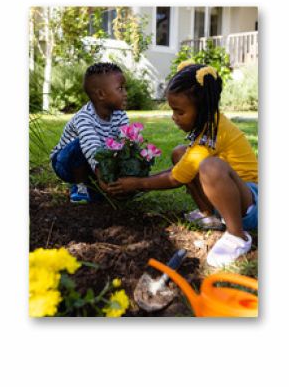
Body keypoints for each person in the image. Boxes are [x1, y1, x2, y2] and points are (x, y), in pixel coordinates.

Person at [104, 63, 258, 267]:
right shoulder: (208, 123)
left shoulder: (213, 133)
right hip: (233, 198)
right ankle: (208, 214)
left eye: (180, 112)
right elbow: (182, 168)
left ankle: (237, 235)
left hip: (251, 204)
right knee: (180, 153)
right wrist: (140, 180)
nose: (174, 118)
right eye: (173, 111)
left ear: (202, 109)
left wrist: (138, 183)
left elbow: (177, 177)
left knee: (210, 167)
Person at [50, 62, 128, 203]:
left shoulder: (120, 115)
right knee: (80, 144)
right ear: (101, 94)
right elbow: (91, 149)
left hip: (93, 163)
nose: (125, 93)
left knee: (123, 148)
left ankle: (92, 187)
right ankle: (79, 186)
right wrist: (102, 177)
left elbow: (125, 143)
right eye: (120, 89)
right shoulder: (84, 117)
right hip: (65, 163)